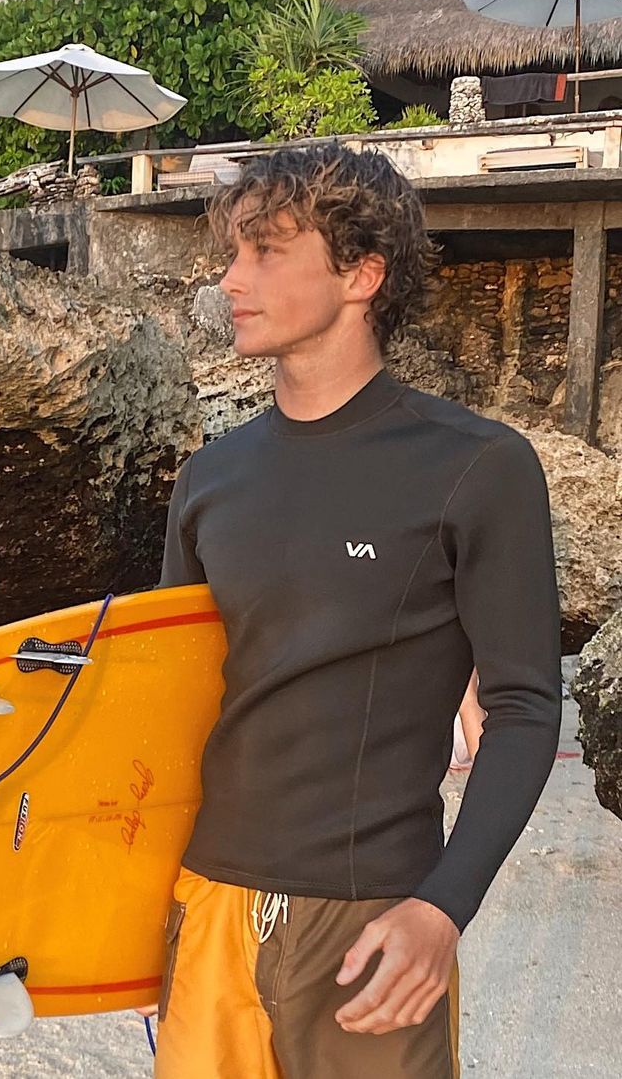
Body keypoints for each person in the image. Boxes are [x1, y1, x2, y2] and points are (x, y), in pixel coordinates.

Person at [154, 143, 562, 1079]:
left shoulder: (477, 467)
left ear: (361, 274)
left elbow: (526, 705)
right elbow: (171, 704)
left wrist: (444, 906)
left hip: (372, 919)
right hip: (207, 905)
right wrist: (133, 912)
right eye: (233, 254)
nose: (232, 280)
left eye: (266, 252)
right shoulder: (209, 479)